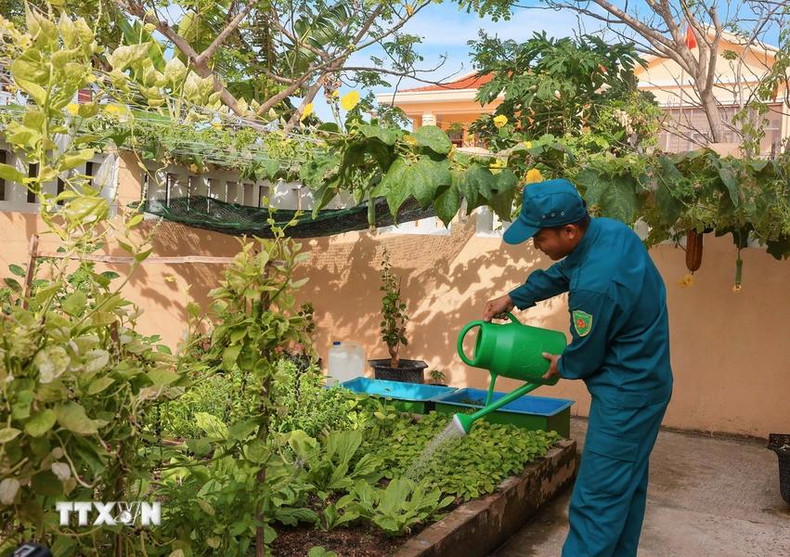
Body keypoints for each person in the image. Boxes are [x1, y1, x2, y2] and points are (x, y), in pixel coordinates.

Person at [483, 178, 673, 557]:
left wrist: (562, 363)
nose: (535, 246)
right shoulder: (610, 233)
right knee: (625, 490)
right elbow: (565, 271)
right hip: (648, 381)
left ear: (569, 231)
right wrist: (514, 297)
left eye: (539, 238)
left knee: (596, 502)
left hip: (625, 397)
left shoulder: (594, 287)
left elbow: (587, 353)